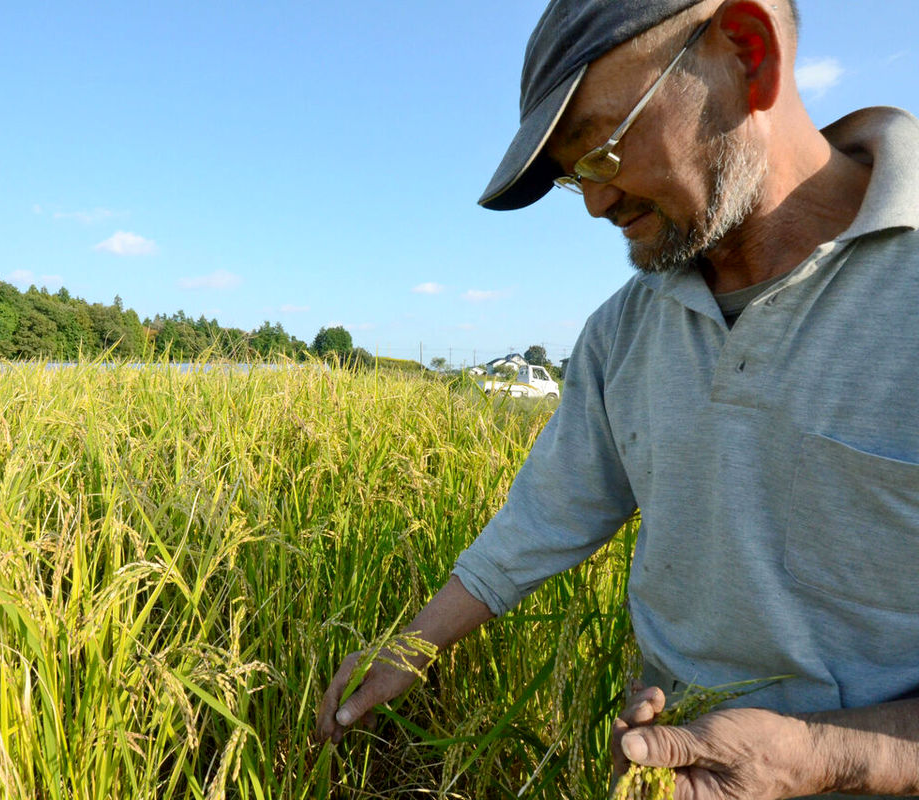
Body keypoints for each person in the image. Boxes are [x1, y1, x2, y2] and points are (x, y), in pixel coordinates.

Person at [316, 0, 919, 797]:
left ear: (747, 53)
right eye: (575, 178)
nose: (596, 203)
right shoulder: (625, 333)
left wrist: (820, 754)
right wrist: (409, 650)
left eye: (601, 148)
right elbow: (545, 518)